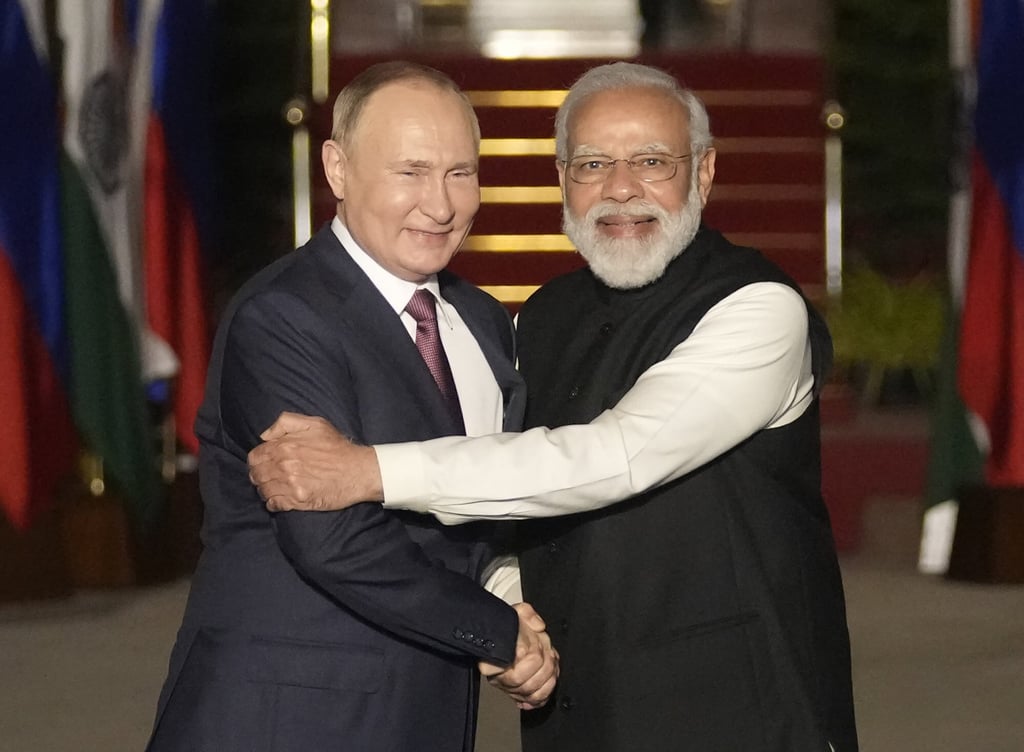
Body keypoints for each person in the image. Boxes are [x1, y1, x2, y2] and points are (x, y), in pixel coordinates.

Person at [249, 62, 858, 751]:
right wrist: (508, 604)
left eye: (653, 162)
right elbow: (503, 498)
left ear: (705, 172)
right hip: (576, 710)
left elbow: (616, 456)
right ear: (562, 178)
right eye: (593, 163)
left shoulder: (759, 310)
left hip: (742, 711)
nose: (621, 188)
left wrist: (368, 471)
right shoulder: (537, 318)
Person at [145, 61, 558, 752]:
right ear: (337, 170)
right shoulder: (283, 315)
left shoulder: (483, 322)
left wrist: (507, 591)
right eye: (411, 172)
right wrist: (496, 629)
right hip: (288, 715)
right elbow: (331, 538)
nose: (442, 203)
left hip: (423, 707)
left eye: (461, 172)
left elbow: (473, 503)